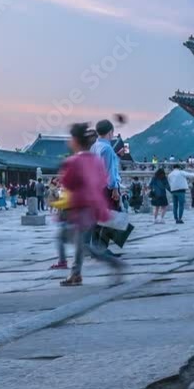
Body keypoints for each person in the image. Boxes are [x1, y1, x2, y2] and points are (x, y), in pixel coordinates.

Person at [57, 123, 125, 286]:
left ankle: (113, 263)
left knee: (81, 243)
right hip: (93, 205)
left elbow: (67, 183)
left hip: (79, 207)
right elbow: (103, 179)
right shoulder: (95, 160)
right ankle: (75, 273)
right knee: (80, 241)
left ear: (75, 141)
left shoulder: (73, 161)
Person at [90, 119, 122, 250]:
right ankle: (103, 248)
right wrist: (114, 188)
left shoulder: (94, 147)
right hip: (106, 188)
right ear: (110, 132)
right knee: (110, 218)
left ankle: (95, 246)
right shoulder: (107, 148)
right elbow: (110, 171)